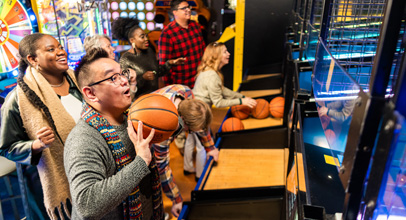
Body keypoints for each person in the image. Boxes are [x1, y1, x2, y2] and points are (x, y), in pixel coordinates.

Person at [64, 48, 164, 219]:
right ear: (91, 93)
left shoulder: (131, 118)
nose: (125, 81)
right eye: (113, 78)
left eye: (122, 74)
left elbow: (169, 125)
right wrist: (140, 162)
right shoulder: (83, 140)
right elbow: (87, 204)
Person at [0, 33, 83, 219]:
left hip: (89, 172)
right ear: (32, 59)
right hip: (52, 182)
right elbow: (7, 148)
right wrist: (36, 145)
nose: (61, 52)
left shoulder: (79, 82)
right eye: (51, 49)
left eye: (60, 47)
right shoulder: (18, 99)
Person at [185, 42, 257, 180]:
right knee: (202, 146)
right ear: (216, 56)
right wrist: (242, 102)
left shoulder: (209, 71)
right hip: (199, 113)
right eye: (225, 52)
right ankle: (200, 175)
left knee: (191, 140)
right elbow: (218, 102)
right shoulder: (212, 75)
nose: (228, 54)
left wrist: (240, 96)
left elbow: (221, 90)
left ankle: (188, 168)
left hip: (191, 109)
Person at [152, 84, 219, 218]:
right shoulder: (163, 126)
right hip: (138, 132)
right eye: (191, 131)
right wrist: (176, 200)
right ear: (183, 124)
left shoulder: (186, 93)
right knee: (151, 177)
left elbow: (201, 123)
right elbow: (162, 167)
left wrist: (210, 147)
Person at [112, 17, 185, 99]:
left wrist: (170, 63)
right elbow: (126, 87)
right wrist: (142, 78)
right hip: (139, 101)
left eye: (146, 36)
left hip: (154, 97)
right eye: (142, 37)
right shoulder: (126, 59)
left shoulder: (149, 51)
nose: (146, 39)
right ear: (132, 40)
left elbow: (156, 72)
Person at [158, 0, 206, 89]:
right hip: (180, 85)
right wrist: (170, 89)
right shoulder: (167, 33)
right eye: (184, 8)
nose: (188, 10)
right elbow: (164, 65)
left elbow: (203, 51)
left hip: (199, 81)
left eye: (189, 7)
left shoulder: (195, 26)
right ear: (175, 12)